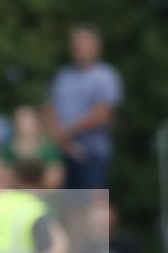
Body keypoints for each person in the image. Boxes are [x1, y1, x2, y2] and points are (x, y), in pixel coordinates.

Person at [46, 25, 122, 189]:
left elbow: (103, 114)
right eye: (76, 46)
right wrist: (63, 142)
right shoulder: (63, 76)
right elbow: (50, 109)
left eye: (84, 45)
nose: (79, 50)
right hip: (62, 153)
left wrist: (67, 132)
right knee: (67, 206)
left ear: (96, 48)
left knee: (93, 204)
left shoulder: (105, 76)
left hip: (92, 154)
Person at [1, 106, 64, 189]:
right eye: (22, 123)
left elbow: (53, 182)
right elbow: (2, 179)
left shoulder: (51, 151)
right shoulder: (7, 150)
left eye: (30, 122)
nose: (26, 127)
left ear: (38, 124)